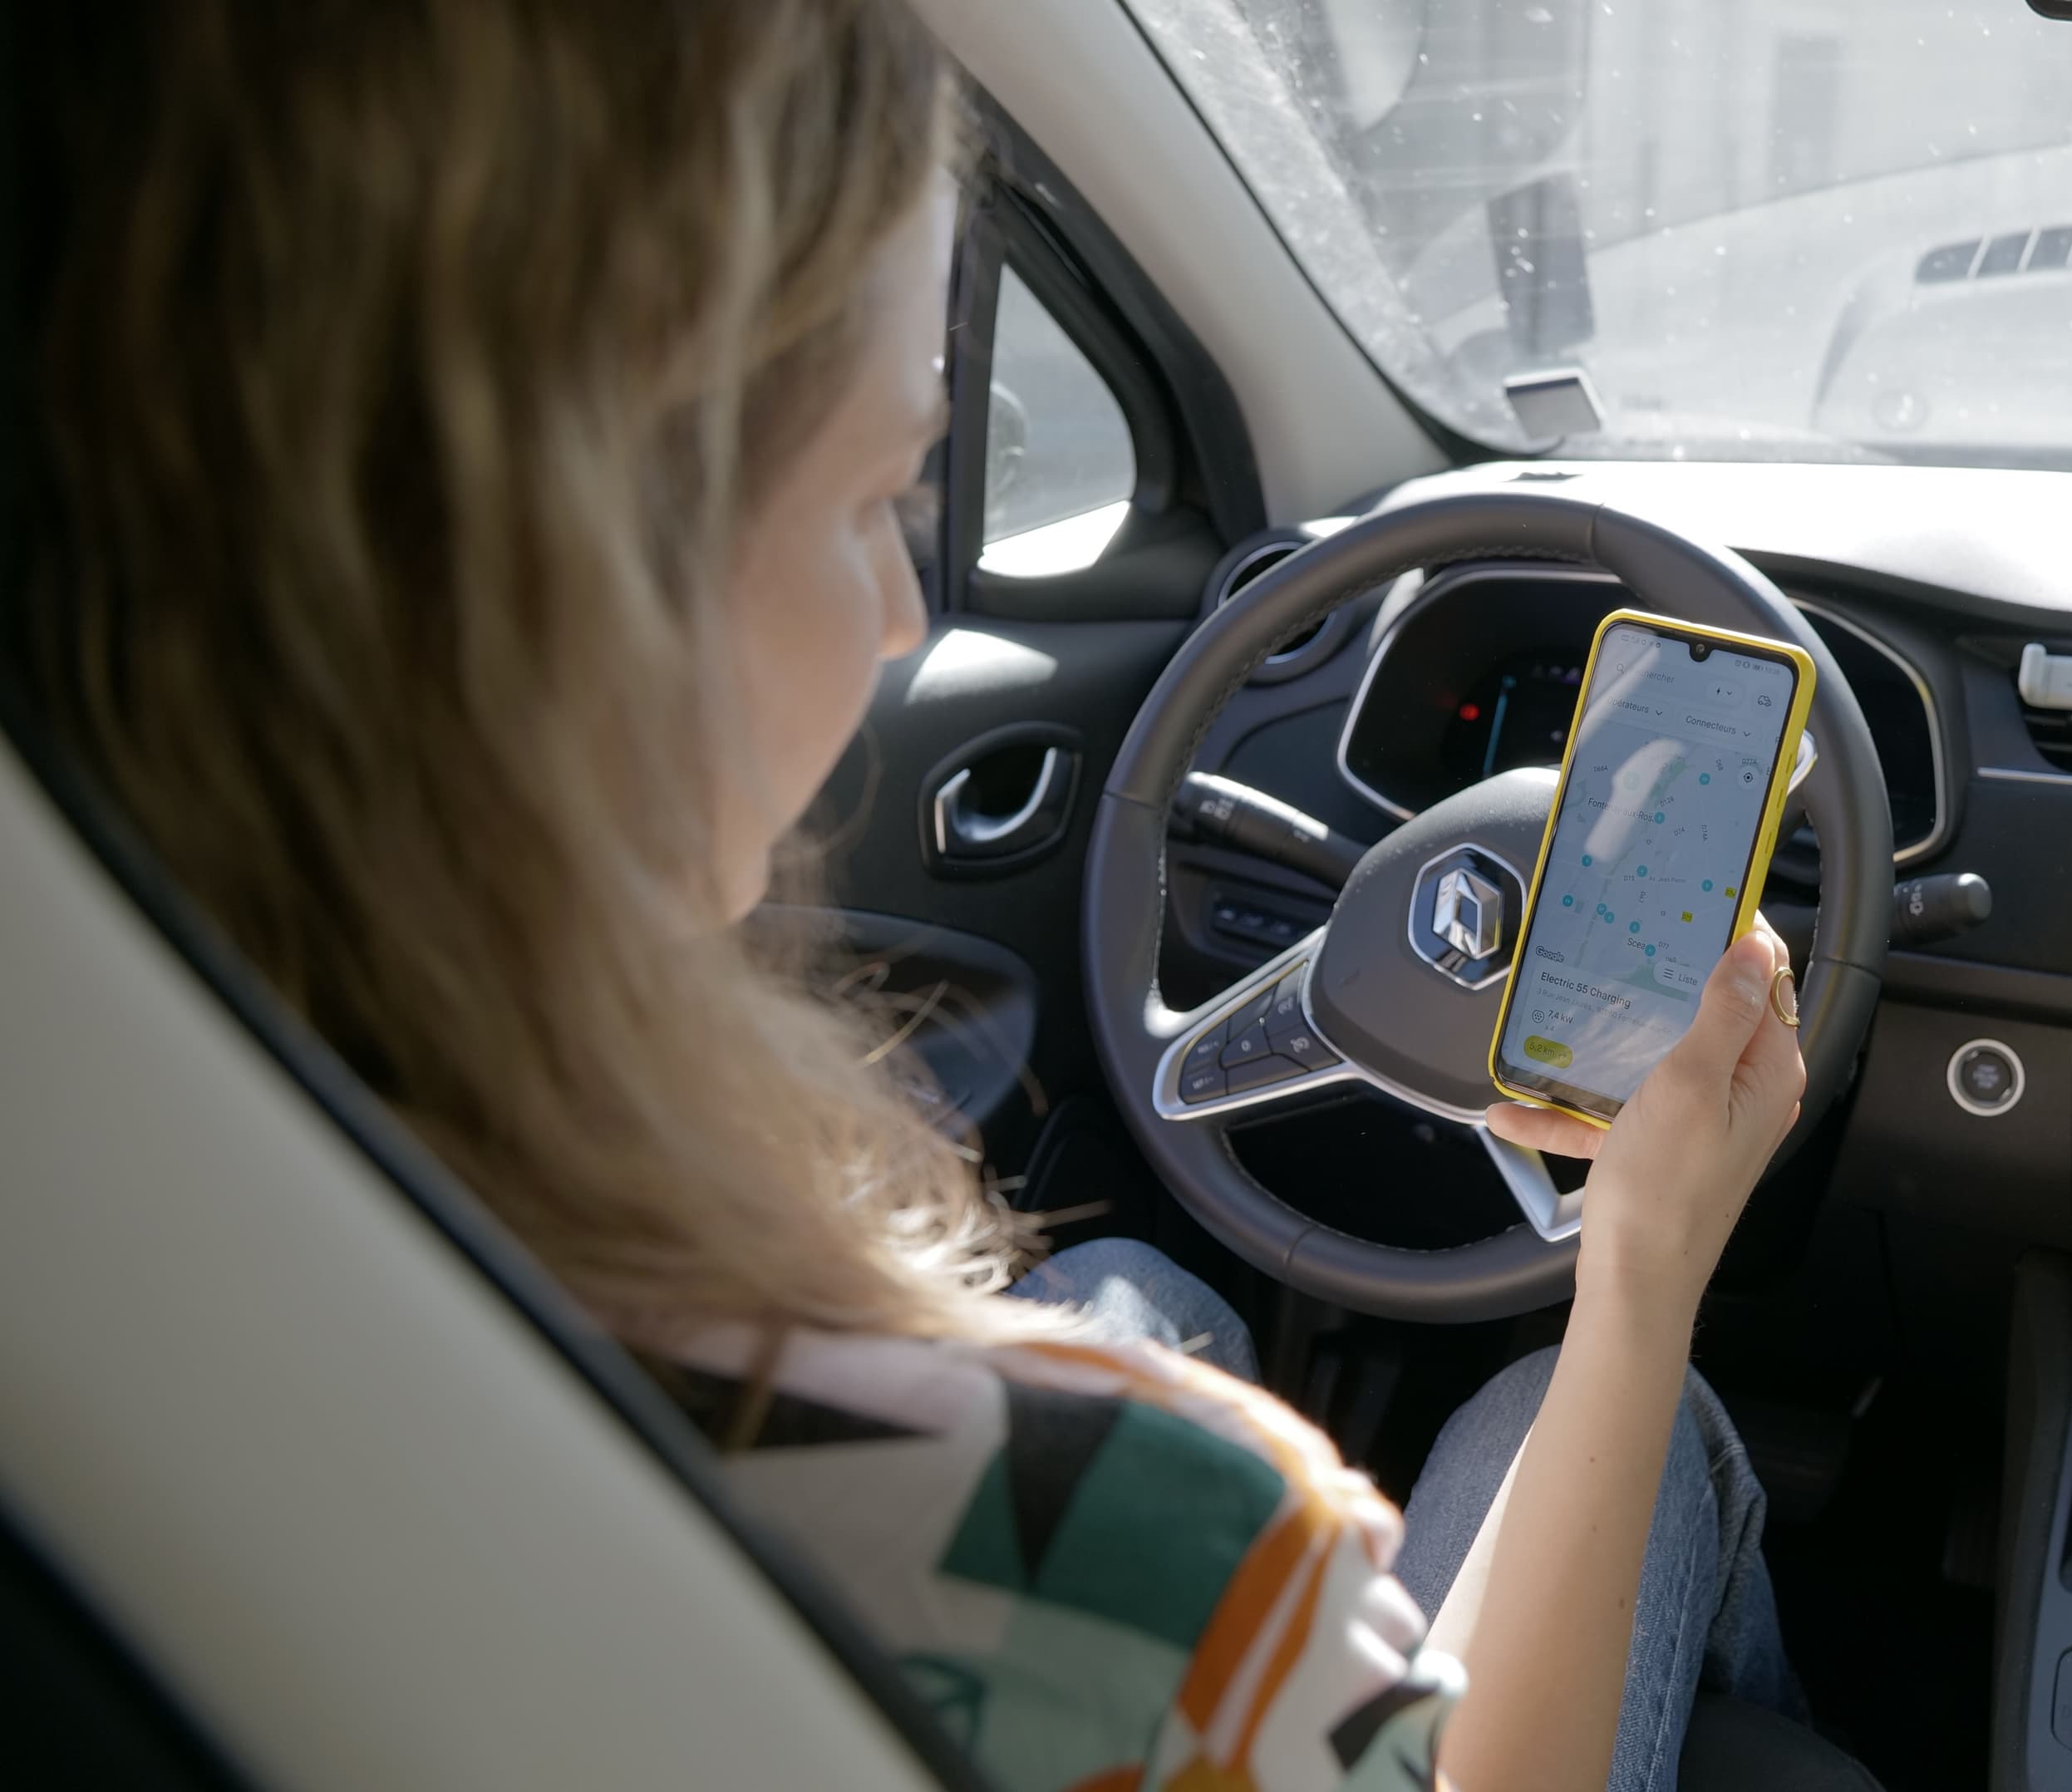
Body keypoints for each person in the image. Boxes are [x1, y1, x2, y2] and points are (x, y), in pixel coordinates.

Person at [3, 4, 1818, 1790]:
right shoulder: (1135, 1559)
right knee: (1607, 1434)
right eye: (884, 489)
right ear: (589, 591)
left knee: (1121, 1281)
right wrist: (1643, 1267)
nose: (897, 616)